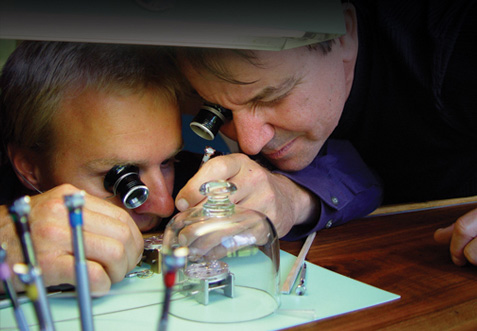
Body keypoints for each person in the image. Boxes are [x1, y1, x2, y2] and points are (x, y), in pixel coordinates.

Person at [174, 0, 477, 266]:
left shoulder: (452, 39)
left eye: (271, 98)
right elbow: (357, 169)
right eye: (219, 113)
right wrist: (291, 197)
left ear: (343, 35)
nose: (250, 144)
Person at [0, 40, 200, 294]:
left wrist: (267, 184)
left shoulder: (197, 182)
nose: (165, 206)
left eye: (167, 162)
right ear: (30, 169)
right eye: (121, 176)